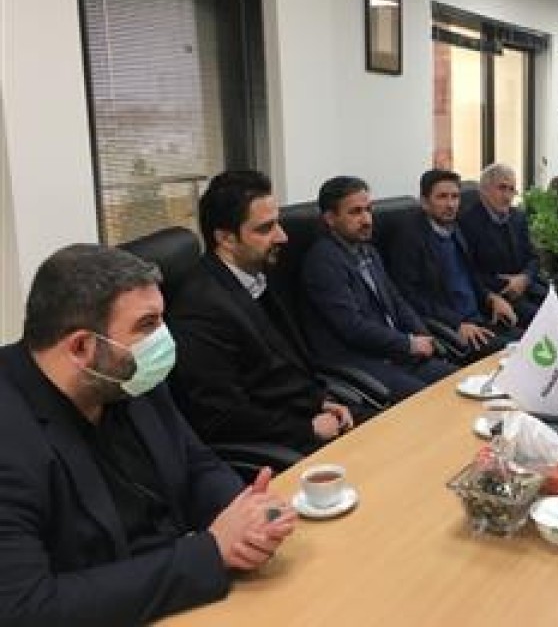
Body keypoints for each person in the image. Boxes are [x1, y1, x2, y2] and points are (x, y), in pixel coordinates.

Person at [0, 244, 296, 625]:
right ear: (82, 347)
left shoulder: (125, 376)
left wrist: (245, 516)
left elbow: (196, 463)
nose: (164, 339)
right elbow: (26, 608)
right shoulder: (11, 436)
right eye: (147, 325)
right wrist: (209, 554)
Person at [167, 170, 355, 455]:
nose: (283, 236)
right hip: (280, 442)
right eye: (265, 229)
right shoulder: (199, 309)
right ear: (226, 238)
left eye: (277, 224)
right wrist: (307, 428)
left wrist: (322, 402)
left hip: (310, 412)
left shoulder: (257, 273)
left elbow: (288, 367)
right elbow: (222, 416)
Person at [299, 176, 458, 401]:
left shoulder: (368, 251)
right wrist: (408, 344)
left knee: (457, 382)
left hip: (392, 353)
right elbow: (353, 328)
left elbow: (396, 301)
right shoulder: (322, 262)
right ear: (330, 219)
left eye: (368, 210)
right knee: (429, 401)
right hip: (359, 361)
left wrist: (423, 335)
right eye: (355, 212)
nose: (367, 220)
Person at [387, 169, 521, 363]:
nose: (450, 204)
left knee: (528, 342)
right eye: (442, 197)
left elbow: (470, 273)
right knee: (515, 356)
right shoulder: (409, 239)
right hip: (452, 328)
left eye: (455, 197)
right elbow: (410, 297)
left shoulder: (454, 227)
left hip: (480, 317)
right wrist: (456, 324)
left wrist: (491, 297)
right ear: (424, 202)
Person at [459, 163, 547, 326]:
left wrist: (524, 278)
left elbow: (534, 257)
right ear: (484, 190)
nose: (507, 196)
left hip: (528, 286)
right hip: (499, 295)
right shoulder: (467, 223)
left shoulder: (518, 217)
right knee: (546, 323)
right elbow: (469, 272)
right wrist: (507, 284)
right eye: (502, 188)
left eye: (511, 189)